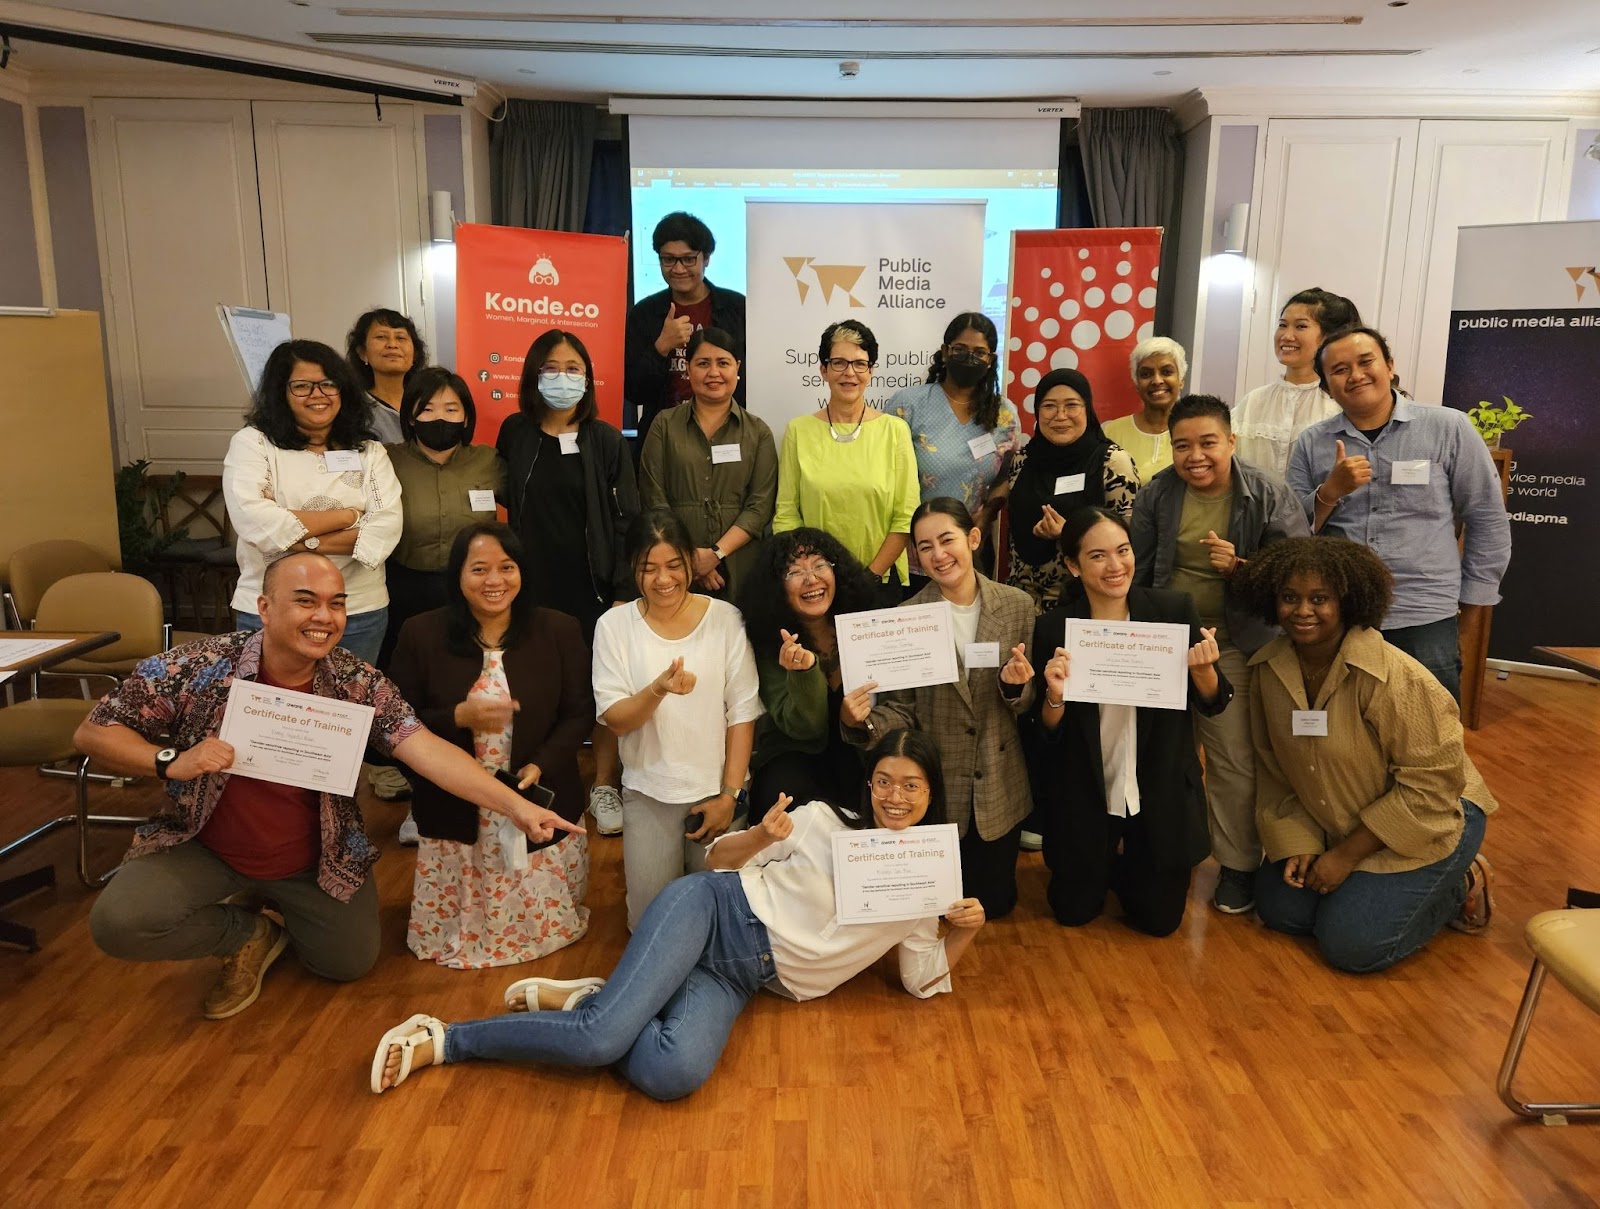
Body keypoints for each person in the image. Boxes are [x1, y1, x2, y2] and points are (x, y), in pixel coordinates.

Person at [76, 553, 580, 1020]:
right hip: (207, 845)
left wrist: (515, 807)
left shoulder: (357, 682)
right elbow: (95, 731)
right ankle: (245, 933)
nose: (325, 616)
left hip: (316, 857)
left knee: (347, 963)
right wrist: (171, 760)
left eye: (336, 604)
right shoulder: (200, 665)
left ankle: (275, 901)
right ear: (264, 607)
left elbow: (424, 748)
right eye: (305, 601)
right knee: (119, 923)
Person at [371, 729, 986, 1101]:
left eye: (910, 786)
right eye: (884, 781)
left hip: (746, 976)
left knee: (672, 1073)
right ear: (868, 784)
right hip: (715, 910)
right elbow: (716, 858)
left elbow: (922, 979)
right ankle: (447, 1039)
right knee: (601, 1041)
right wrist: (762, 840)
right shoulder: (825, 821)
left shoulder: (928, 876)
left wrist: (964, 932)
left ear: (932, 794)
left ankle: (603, 997)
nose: (895, 797)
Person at [1232, 537, 1496, 972]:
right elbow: (1276, 770)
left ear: (1348, 601)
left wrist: (1345, 856)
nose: (1302, 611)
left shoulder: (1395, 676)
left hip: (1435, 818)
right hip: (1336, 817)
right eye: (1289, 598)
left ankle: (1459, 880)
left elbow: (1432, 786)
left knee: (1351, 946)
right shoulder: (1267, 670)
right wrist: (1302, 841)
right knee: (1282, 911)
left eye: (1320, 599)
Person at [1130, 394, 1310, 915]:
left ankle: (1237, 866)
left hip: (1233, 644)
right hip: (1165, 642)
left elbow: (1298, 576)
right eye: (1182, 445)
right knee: (1161, 754)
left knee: (1232, 759)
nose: (1195, 456)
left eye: (1208, 442)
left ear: (1231, 440)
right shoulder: (1158, 494)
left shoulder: (1267, 493)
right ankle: (1165, 851)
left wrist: (1241, 569)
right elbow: (1137, 571)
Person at [387, 523, 592, 968]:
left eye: (506, 567)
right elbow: (394, 724)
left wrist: (542, 764)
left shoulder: (559, 629)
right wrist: (458, 717)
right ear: (458, 576)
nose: (494, 581)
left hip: (533, 788)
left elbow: (578, 712)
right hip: (454, 796)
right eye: (479, 569)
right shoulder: (421, 633)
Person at [1027, 507, 1232, 936]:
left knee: (1158, 923)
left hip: (1158, 788)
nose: (1115, 566)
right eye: (1098, 556)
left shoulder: (1173, 611)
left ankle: (1129, 866)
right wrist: (1054, 696)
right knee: (1072, 911)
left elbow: (1214, 702)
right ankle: (1103, 862)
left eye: (1122, 551)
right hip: (1085, 789)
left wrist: (1203, 670)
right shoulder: (1054, 628)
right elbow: (1045, 733)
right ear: (1072, 564)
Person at [1287, 325, 1512, 701]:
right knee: (1343, 736)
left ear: (1389, 365)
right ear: (1326, 385)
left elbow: (1487, 518)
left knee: (1430, 735)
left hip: (1423, 611)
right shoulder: (1312, 442)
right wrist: (1330, 492)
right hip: (1341, 611)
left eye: (1365, 361)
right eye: (1340, 370)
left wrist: (1472, 612)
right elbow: (1290, 533)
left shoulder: (1447, 428)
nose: (1356, 375)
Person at [841, 499, 1037, 918]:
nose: (939, 554)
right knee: (934, 910)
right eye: (925, 546)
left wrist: (1015, 687)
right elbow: (901, 711)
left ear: (973, 538)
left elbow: (1030, 703)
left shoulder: (1018, 605)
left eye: (947, 540)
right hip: (936, 786)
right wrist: (861, 721)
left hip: (998, 782)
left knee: (995, 907)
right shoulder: (904, 618)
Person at [591, 511, 764, 929]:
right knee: (651, 926)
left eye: (673, 565)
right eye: (648, 569)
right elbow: (615, 720)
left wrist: (730, 796)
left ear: (691, 561)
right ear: (632, 569)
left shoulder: (725, 619)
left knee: (718, 921)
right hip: (648, 793)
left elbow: (742, 713)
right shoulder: (614, 626)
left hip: (715, 793)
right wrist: (659, 689)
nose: (663, 579)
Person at [498, 327, 640, 834]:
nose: (563, 378)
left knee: (601, 690)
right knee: (536, 685)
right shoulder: (515, 431)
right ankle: (541, 777)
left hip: (594, 586)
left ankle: (603, 783)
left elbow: (628, 519)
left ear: (589, 378)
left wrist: (624, 589)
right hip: (529, 587)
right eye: (552, 369)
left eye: (574, 369)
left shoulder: (604, 438)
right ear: (535, 376)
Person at [372, 365, 506, 816]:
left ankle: (475, 777)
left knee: (465, 685)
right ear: (409, 416)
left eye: (451, 407)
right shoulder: (387, 460)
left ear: (467, 415)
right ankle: (414, 785)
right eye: (427, 408)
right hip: (406, 586)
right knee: (413, 688)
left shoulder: (487, 460)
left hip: (473, 593)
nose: (440, 417)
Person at [222, 339, 402, 665]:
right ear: (281, 392)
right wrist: (348, 516)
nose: (318, 395)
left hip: (357, 608)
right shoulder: (253, 444)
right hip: (273, 609)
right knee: (273, 710)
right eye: (302, 386)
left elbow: (386, 525)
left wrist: (299, 539)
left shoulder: (368, 451)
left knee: (351, 710)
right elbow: (254, 520)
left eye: (328, 384)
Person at [739, 528, 880, 817]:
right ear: (776, 586)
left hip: (860, 751)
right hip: (793, 756)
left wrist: (858, 723)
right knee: (787, 800)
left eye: (819, 565)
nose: (811, 579)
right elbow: (806, 728)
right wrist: (805, 673)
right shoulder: (768, 642)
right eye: (794, 572)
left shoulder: (867, 623)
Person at [774, 319, 920, 591]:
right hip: (814, 584)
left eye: (859, 363)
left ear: (871, 371)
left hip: (880, 580)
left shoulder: (895, 431)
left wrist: (868, 577)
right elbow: (786, 515)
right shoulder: (798, 431)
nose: (849, 373)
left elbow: (906, 517)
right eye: (839, 363)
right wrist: (814, 571)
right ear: (823, 370)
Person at [639, 327, 777, 604]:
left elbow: (760, 506)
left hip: (741, 564)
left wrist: (714, 554)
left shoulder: (758, 431)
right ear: (688, 370)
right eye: (703, 363)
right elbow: (654, 497)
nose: (713, 372)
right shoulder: (664, 425)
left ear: (737, 368)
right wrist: (689, 556)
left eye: (723, 363)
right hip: (675, 564)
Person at [887, 312, 1023, 579]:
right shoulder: (907, 405)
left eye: (979, 352)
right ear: (945, 352)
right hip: (911, 552)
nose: (969, 358)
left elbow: (1007, 476)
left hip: (970, 547)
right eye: (960, 349)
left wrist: (984, 520)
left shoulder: (1003, 415)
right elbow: (884, 476)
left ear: (991, 360)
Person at [1004, 367, 1139, 612]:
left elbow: (1129, 538)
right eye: (1049, 406)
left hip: (1084, 604)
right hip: (1021, 601)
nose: (1060, 415)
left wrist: (1070, 533)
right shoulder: (1022, 460)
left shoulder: (1113, 462)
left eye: (1072, 405)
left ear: (1087, 408)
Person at [624, 211, 747, 444]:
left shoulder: (736, 308)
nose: (678, 269)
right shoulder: (645, 313)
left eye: (688, 259)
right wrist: (661, 348)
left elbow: (749, 380)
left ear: (706, 258)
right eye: (668, 259)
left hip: (726, 435)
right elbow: (634, 391)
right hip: (663, 438)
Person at [1230, 288, 1359, 483]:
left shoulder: (1341, 403)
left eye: (1300, 327)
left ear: (1328, 337)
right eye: (1282, 325)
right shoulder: (1253, 401)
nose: (1287, 336)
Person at [1102, 336, 1188, 483]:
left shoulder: (1195, 431)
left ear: (1181, 380)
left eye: (1166, 372)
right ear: (1136, 384)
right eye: (1146, 374)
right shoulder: (1111, 432)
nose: (1157, 381)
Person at [346, 308, 428, 444]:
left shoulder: (429, 401)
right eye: (381, 337)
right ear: (362, 353)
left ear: (415, 355)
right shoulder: (352, 407)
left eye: (400, 338)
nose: (392, 345)